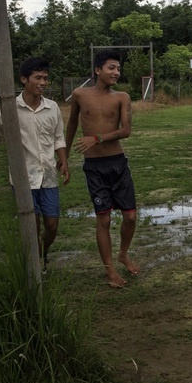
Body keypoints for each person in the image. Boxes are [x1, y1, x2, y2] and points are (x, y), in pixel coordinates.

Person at [0, 56, 70, 271]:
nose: (43, 83)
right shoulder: (10, 108)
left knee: (51, 225)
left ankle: (39, 257)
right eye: (38, 78)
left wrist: (63, 161)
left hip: (48, 176)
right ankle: (34, 267)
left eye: (45, 79)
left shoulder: (52, 108)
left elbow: (58, 138)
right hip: (23, 176)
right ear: (24, 79)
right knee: (31, 224)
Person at [66, 49, 139, 288]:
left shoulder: (122, 97)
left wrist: (96, 138)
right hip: (94, 166)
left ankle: (123, 253)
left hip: (117, 162)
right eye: (111, 68)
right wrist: (64, 156)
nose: (116, 72)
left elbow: (125, 131)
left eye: (118, 68)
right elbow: (72, 124)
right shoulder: (79, 94)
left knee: (130, 216)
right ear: (98, 70)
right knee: (104, 219)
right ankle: (110, 271)